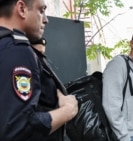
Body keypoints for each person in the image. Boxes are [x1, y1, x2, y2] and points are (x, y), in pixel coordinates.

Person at [0, 1, 78, 141]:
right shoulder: (17, 50)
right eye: (41, 10)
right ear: (22, 9)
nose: (46, 19)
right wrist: (67, 111)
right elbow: (17, 128)